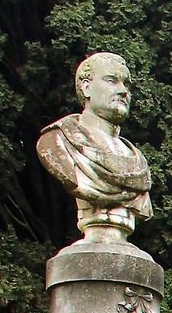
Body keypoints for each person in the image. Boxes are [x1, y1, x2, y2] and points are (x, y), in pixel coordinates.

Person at [36, 52, 152, 238]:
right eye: (111, 80)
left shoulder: (138, 161)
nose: (123, 91)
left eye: (126, 84)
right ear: (86, 87)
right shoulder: (57, 142)